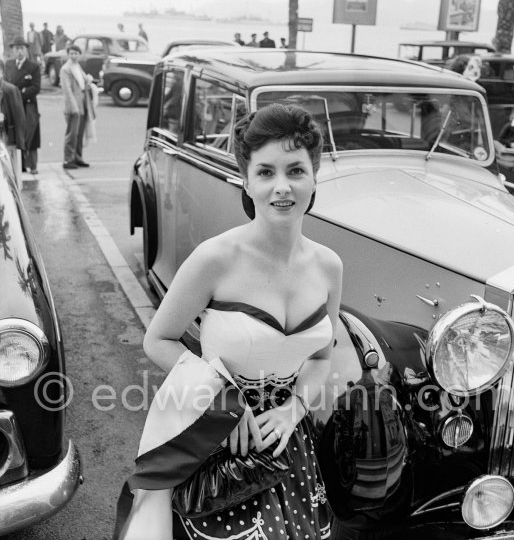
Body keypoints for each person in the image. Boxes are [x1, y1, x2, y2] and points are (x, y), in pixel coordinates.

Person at [113, 103, 342, 540]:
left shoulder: (330, 267)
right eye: (266, 172)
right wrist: (223, 406)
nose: (282, 188)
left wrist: (293, 410)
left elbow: (319, 359)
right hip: (218, 438)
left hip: (287, 444)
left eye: (296, 171)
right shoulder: (215, 259)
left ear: (315, 176)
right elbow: (158, 339)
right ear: (246, 180)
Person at [5, 36, 41, 175]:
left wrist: (17, 93)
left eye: (22, 48)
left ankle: (32, 166)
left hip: (28, 107)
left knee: (31, 137)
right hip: (11, 107)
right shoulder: (8, 65)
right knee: (14, 136)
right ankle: (18, 166)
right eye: (16, 48)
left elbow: (35, 88)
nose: (19, 51)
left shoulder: (33, 67)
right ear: (13, 50)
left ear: (26, 50)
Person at [60, 44, 95, 169]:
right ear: (68, 54)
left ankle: (78, 157)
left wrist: (88, 80)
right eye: (72, 53)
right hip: (73, 104)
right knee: (72, 133)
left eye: (76, 53)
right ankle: (68, 160)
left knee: (80, 133)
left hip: (82, 102)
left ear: (79, 54)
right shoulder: (65, 69)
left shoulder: (77, 66)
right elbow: (67, 90)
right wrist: (73, 107)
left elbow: (84, 80)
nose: (74, 56)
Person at [0, 59, 27, 188]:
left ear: (2, 72)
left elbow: (19, 118)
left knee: (10, 178)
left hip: (7, 138)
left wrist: (19, 141)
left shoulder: (10, 90)